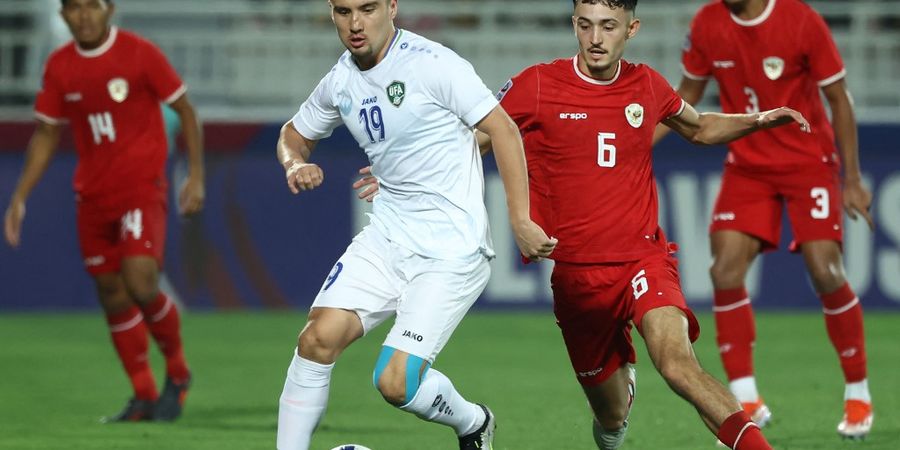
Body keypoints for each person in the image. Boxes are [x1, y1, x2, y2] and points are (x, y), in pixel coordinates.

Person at [464, 0, 813, 448]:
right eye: (586, 25)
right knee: (610, 420)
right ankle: (617, 403)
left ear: (631, 29)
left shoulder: (646, 83)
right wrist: (408, 174)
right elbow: (475, 141)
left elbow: (701, 128)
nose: (595, 39)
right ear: (574, 25)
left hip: (643, 260)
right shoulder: (536, 84)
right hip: (578, 279)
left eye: (608, 26)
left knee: (677, 365)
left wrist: (759, 120)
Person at [274, 0, 556, 449]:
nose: (355, 23)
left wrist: (519, 218)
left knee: (395, 384)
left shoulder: (435, 65)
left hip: (450, 251)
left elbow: (502, 129)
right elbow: (294, 133)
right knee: (315, 340)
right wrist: (293, 164)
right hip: (386, 236)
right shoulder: (340, 80)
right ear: (331, 14)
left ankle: (473, 423)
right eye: (344, 12)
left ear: (391, 7)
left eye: (367, 9)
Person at [654, 0, 874, 439]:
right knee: (725, 269)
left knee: (826, 271)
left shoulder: (800, 19)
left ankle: (858, 390)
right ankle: (747, 397)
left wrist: (851, 178)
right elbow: (688, 97)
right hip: (748, 166)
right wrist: (636, 142)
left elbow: (838, 98)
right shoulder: (708, 23)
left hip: (809, 160)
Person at [3, 0, 204, 422]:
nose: (84, 15)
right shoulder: (60, 66)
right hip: (93, 196)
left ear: (109, 9)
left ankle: (179, 373)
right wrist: (20, 194)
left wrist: (196, 175)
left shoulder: (139, 52)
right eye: (74, 8)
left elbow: (185, 108)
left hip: (140, 188)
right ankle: (144, 395)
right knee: (111, 293)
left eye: (92, 5)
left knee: (141, 280)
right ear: (63, 15)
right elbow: (45, 133)